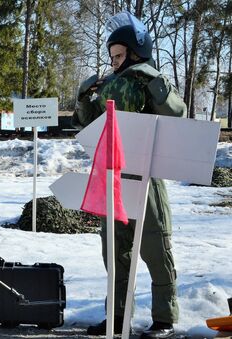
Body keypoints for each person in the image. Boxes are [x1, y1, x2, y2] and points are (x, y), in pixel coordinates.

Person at [73, 12, 186, 339]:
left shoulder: (152, 82)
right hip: (114, 176)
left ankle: (164, 318)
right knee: (115, 249)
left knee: (154, 245)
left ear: (137, 51)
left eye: (120, 55)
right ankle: (117, 316)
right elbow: (88, 124)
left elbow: (177, 114)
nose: (115, 62)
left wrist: (156, 82)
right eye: (112, 57)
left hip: (147, 176)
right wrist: (84, 98)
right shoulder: (110, 85)